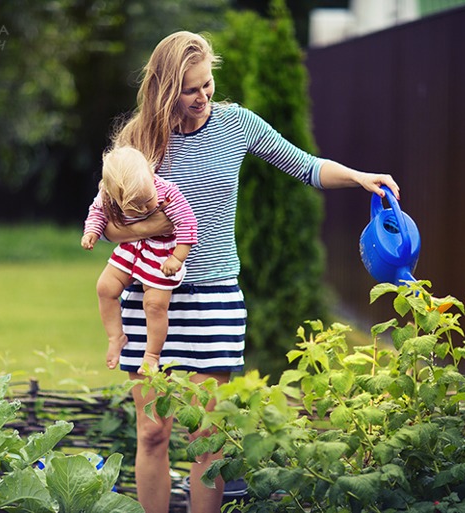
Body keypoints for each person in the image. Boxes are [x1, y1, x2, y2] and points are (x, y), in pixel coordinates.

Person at [98, 31, 400, 513]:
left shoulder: (236, 125)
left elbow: (305, 165)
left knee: (207, 437)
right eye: (190, 89)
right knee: (153, 433)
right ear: (164, 88)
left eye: (207, 84)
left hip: (215, 297)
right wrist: (162, 224)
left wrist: (361, 177)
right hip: (150, 299)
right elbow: (109, 227)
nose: (203, 97)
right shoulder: (139, 139)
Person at [81, 145, 198, 375]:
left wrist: (177, 257)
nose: (147, 207)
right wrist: (92, 232)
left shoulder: (167, 192)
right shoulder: (108, 194)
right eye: (137, 207)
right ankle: (116, 336)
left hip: (163, 252)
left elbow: (188, 224)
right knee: (105, 287)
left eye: (147, 200)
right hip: (132, 247)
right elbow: (97, 212)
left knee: (154, 304)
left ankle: (152, 355)